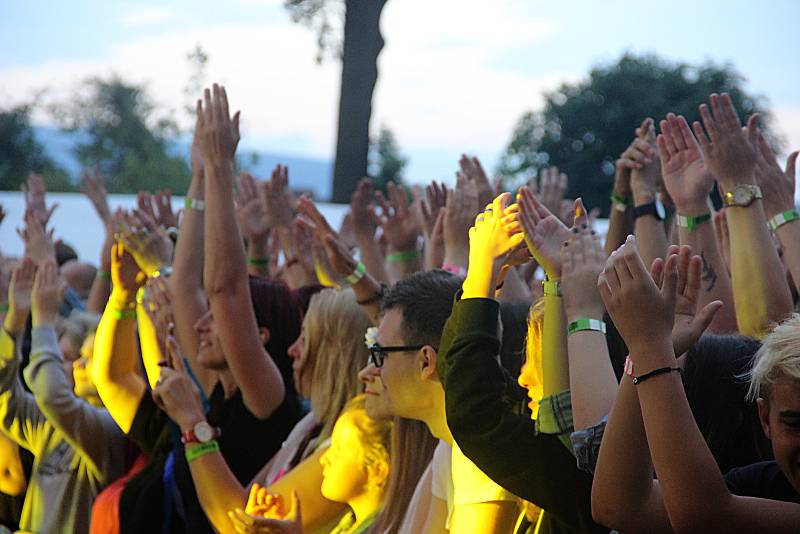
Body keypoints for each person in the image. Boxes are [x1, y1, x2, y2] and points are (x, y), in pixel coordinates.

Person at [367, 266, 521, 533]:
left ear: (427, 361)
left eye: (380, 353)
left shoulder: (480, 458)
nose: (369, 370)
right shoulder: (448, 447)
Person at [0, 258, 127, 533]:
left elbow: (52, 396)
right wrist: (15, 319)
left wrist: (42, 320)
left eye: (90, 357)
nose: (80, 364)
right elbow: (3, 396)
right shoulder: (53, 427)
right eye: (78, 356)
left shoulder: (113, 429)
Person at [229, 394, 392, 534]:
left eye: (338, 450)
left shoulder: (384, 528)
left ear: (378, 470)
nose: (323, 459)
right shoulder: (348, 525)